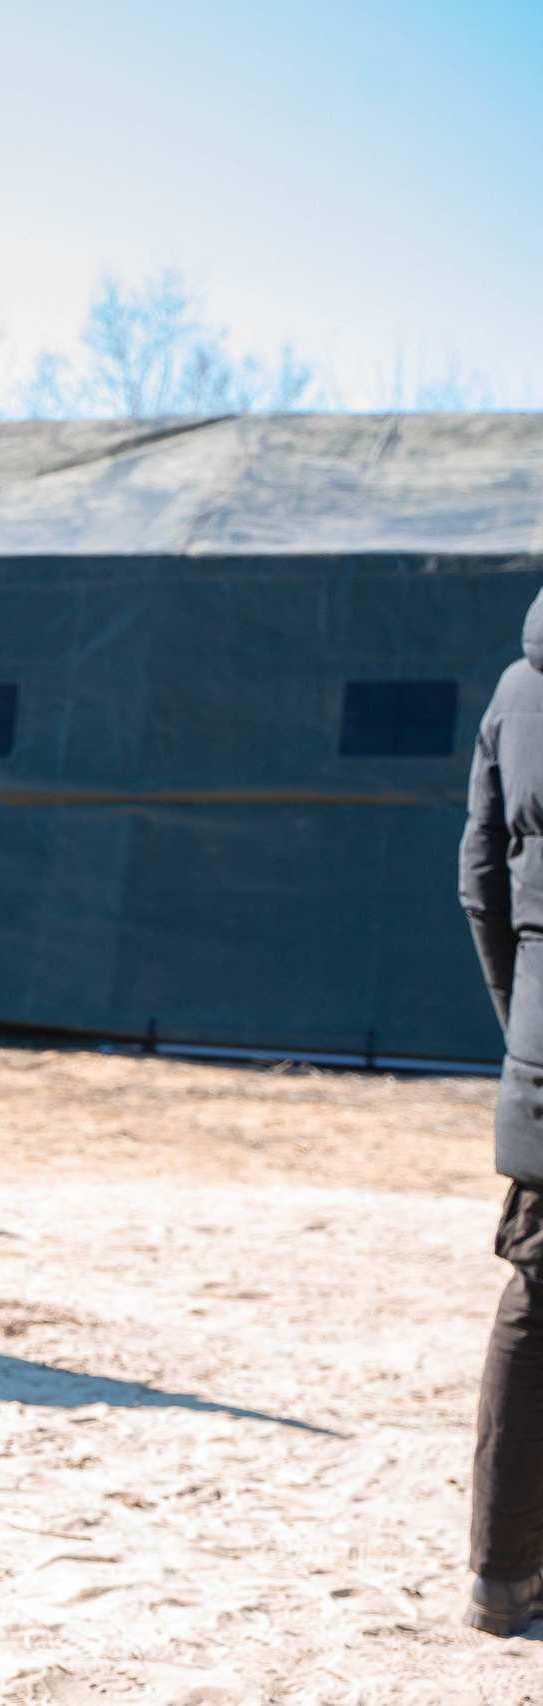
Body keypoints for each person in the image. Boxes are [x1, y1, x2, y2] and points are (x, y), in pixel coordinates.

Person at [458, 586, 543, 1637]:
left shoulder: (518, 683)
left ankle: (498, 1572)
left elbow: (480, 880)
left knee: (536, 1291)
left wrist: (522, 1017)